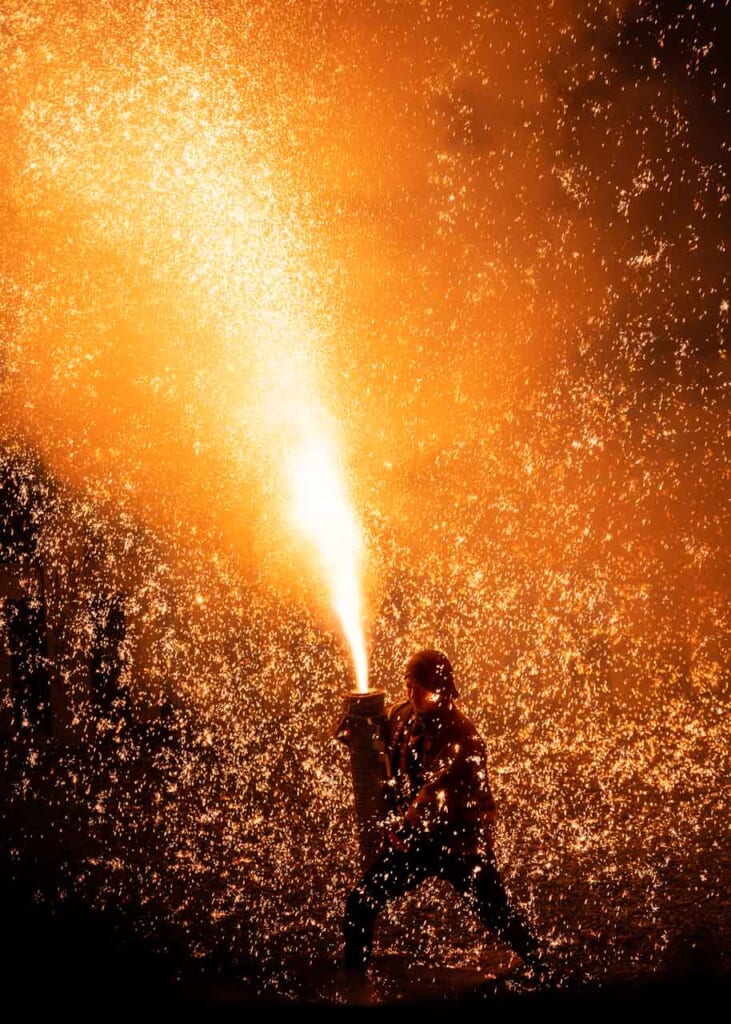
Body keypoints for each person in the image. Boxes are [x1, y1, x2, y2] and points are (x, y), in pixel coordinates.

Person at [342, 648, 549, 983]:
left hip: (459, 844)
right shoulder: (404, 715)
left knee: (495, 911)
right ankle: (354, 980)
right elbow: (378, 732)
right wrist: (357, 724)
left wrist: (404, 831)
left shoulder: (462, 737)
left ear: (442, 687)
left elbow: (434, 795)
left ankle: (542, 965)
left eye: (420, 687)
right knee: (361, 902)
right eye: (408, 684)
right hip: (418, 842)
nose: (412, 693)